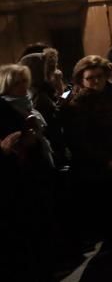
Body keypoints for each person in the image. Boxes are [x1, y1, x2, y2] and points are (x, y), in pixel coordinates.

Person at [61, 55, 112, 249]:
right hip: (96, 165)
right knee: (106, 207)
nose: (96, 81)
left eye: (99, 76)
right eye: (90, 78)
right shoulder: (77, 104)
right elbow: (79, 140)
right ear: (82, 80)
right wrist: (105, 159)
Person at [0, 64, 56, 281]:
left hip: (34, 174)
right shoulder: (5, 108)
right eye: (17, 82)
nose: (23, 86)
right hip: (15, 181)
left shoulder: (26, 104)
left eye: (25, 81)